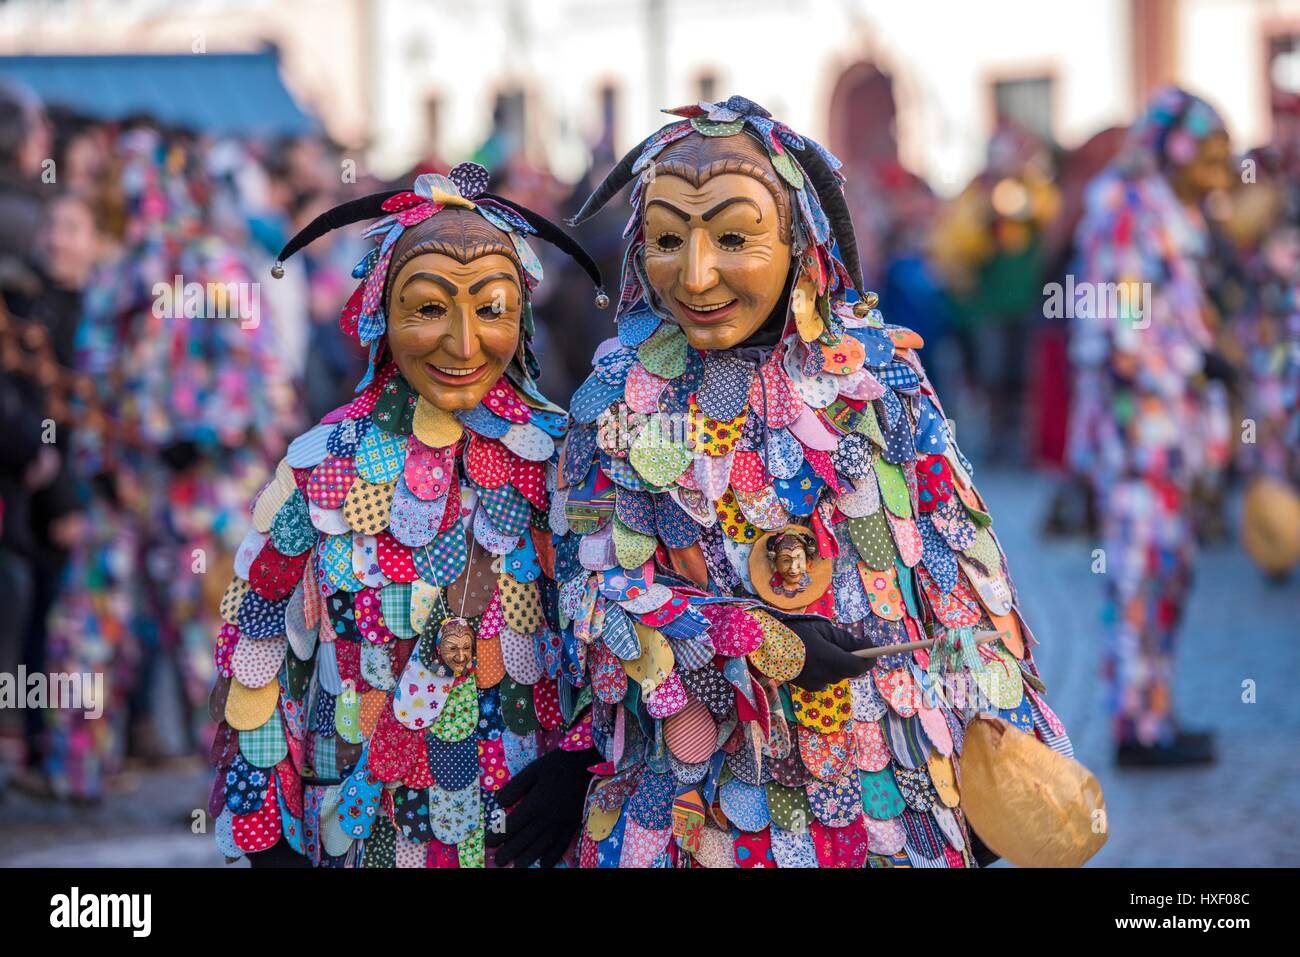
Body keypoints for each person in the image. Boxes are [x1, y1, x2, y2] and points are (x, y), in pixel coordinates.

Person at [493, 96, 1079, 868]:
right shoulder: (619, 399)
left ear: (798, 240)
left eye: (733, 236)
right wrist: (751, 637)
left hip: (885, 794)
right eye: (669, 239)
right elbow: (595, 593)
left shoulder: (880, 378)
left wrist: (1007, 744)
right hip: (699, 800)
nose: (695, 274)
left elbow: (960, 572)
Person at [210, 162, 609, 867]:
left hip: (522, 840)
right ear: (381, 313)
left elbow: (615, 639)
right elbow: (260, 649)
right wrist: (267, 832)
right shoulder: (321, 467)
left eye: (490, 309)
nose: (461, 343)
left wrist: (581, 761)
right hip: (361, 838)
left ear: (522, 317)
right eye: (428, 308)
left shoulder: (568, 462)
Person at [1068, 88, 1234, 767]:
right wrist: (1197, 366)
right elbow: (1119, 331)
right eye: (1213, 157)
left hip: (1174, 435)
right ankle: (1135, 727)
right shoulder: (1124, 209)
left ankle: (1156, 714)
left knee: (1170, 574)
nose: (1223, 173)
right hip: (1138, 437)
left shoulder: (1174, 210)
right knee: (1137, 578)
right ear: (1175, 151)